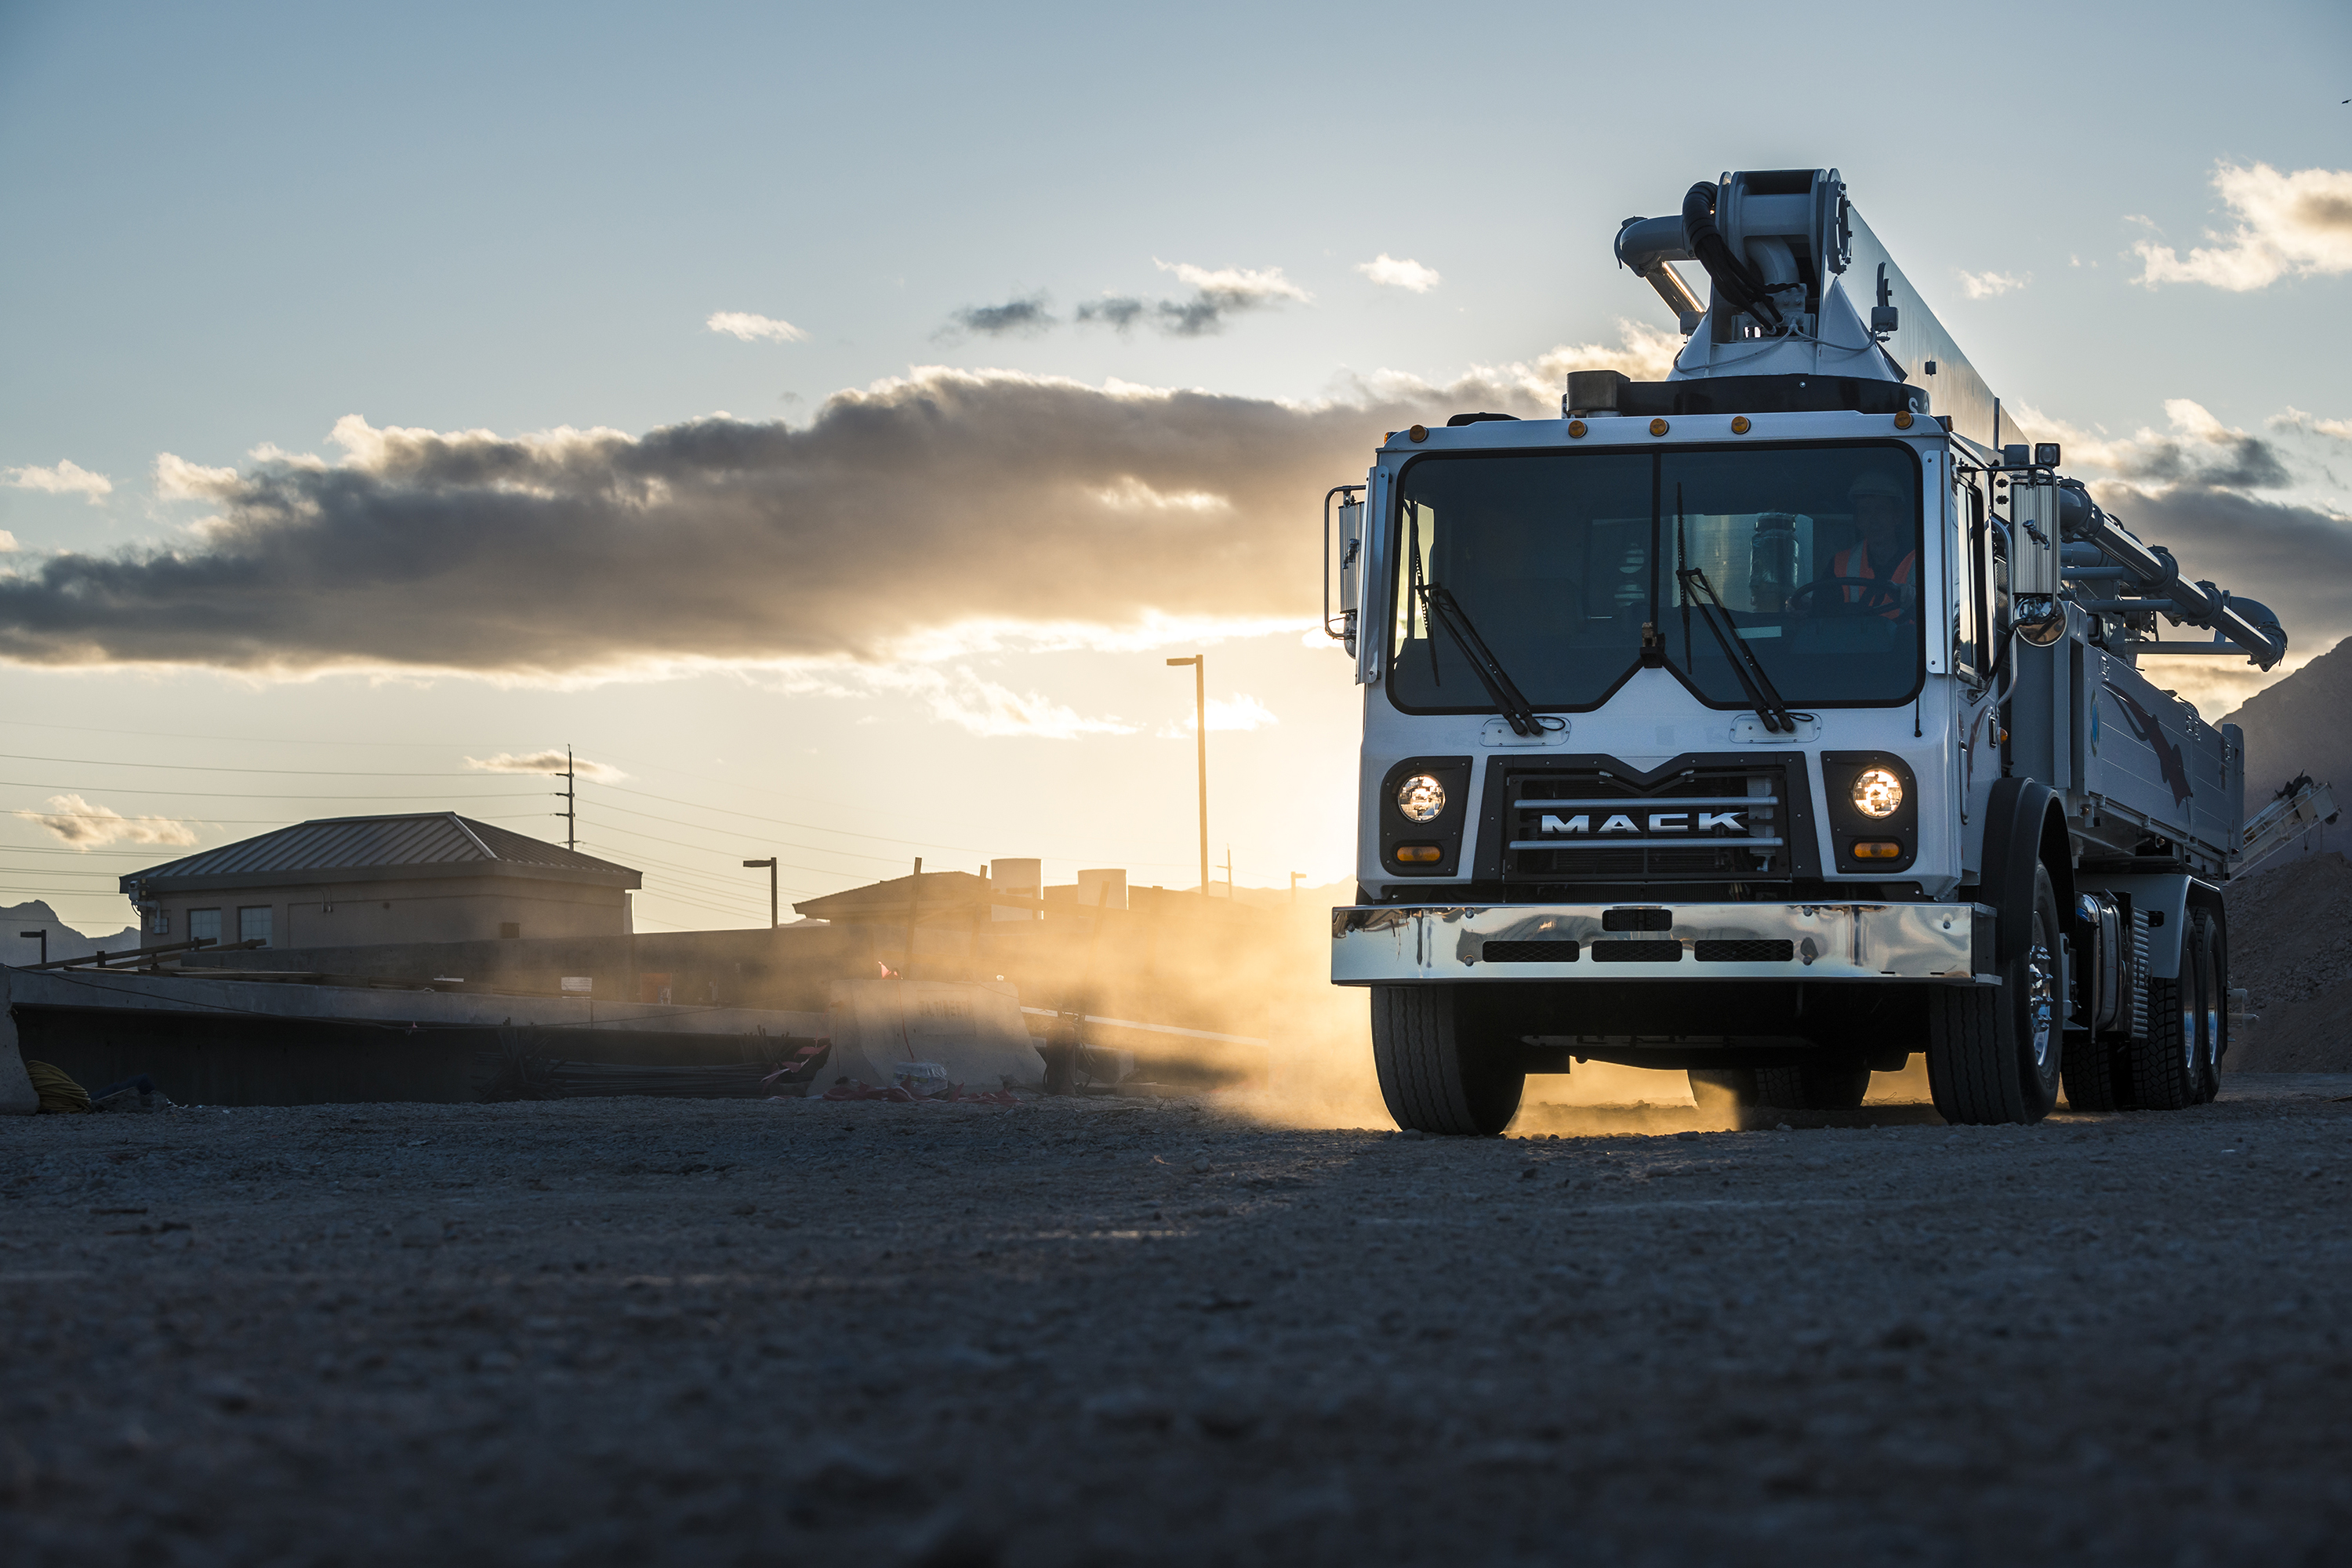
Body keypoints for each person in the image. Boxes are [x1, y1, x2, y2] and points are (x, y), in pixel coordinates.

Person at [1828, 470, 1916, 619]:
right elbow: (1821, 610)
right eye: (1865, 511)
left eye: (1881, 510)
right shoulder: (1840, 564)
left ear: (1897, 516)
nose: (1873, 519)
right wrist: (1804, 608)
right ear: (1857, 520)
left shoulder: (1923, 562)